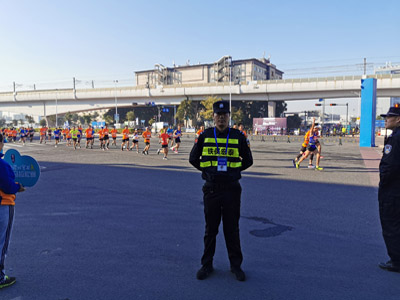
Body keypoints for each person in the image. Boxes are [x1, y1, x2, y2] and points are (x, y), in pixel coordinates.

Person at [189, 100, 253, 281]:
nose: (221, 118)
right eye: (218, 115)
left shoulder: (238, 136)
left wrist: (233, 171)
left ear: (229, 117)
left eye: (225, 116)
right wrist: (209, 172)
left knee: (232, 229)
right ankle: (206, 265)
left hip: (232, 189)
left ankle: (236, 266)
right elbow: (193, 158)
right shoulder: (205, 135)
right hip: (212, 189)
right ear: (213, 117)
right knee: (211, 229)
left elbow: (248, 160)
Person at [0, 133, 25, 289]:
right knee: (2, 242)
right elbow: (8, 186)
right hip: (3, 204)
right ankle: (0, 277)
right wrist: (18, 186)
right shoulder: (2, 165)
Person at [378, 105, 400, 272]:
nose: (386, 119)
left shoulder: (395, 138)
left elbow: (389, 166)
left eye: (389, 117)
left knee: (391, 224)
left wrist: (383, 184)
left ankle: (396, 261)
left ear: (398, 119)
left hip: (393, 190)